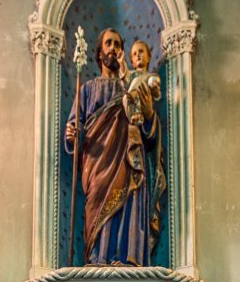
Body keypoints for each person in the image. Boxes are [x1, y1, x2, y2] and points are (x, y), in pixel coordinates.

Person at [65, 28, 166, 267]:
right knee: (98, 200)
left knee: (130, 199)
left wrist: (149, 114)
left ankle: (129, 259)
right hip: (98, 161)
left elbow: (150, 135)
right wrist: (72, 135)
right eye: (108, 43)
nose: (113, 48)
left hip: (129, 161)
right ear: (99, 53)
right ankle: (98, 258)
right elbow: (75, 128)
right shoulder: (87, 89)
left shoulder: (131, 84)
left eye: (117, 44)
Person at [122, 39, 162, 127]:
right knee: (125, 98)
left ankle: (138, 117)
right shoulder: (131, 74)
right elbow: (124, 76)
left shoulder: (150, 76)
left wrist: (155, 89)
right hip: (132, 100)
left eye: (141, 51)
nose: (138, 55)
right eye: (134, 54)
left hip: (145, 105)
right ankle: (133, 117)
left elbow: (157, 94)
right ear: (132, 63)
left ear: (149, 57)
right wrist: (121, 62)